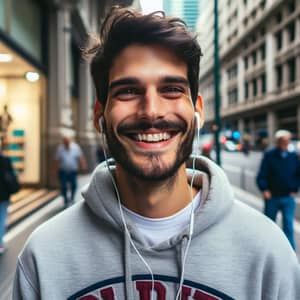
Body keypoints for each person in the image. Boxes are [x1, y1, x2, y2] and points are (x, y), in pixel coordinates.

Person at [13, 8, 300, 300]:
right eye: (128, 91)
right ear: (99, 114)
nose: (151, 111)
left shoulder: (267, 254)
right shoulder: (43, 257)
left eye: (172, 89)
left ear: (197, 109)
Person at [256, 129, 300, 249]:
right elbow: (262, 175)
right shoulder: (269, 155)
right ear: (278, 141)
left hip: (288, 197)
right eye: (282, 140)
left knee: (288, 226)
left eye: (287, 140)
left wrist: (294, 189)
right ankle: (268, 250)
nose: (285, 143)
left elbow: (298, 175)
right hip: (272, 197)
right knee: (269, 225)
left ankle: (290, 252)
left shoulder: (293, 156)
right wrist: (264, 190)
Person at [53, 135, 87, 208]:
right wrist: (54, 170)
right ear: (63, 142)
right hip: (63, 171)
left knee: (74, 185)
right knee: (64, 186)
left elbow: (80, 157)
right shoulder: (60, 149)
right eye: (65, 142)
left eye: (68, 142)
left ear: (70, 141)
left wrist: (83, 165)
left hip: (73, 171)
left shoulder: (76, 147)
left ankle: (72, 198)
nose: (66, 143)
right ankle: (66, 200)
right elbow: (56, 160)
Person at [0, 146, 15, 254]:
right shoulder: (6, 160)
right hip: (4, 194)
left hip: (4, 194)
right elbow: (11, 176)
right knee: (2, 218)